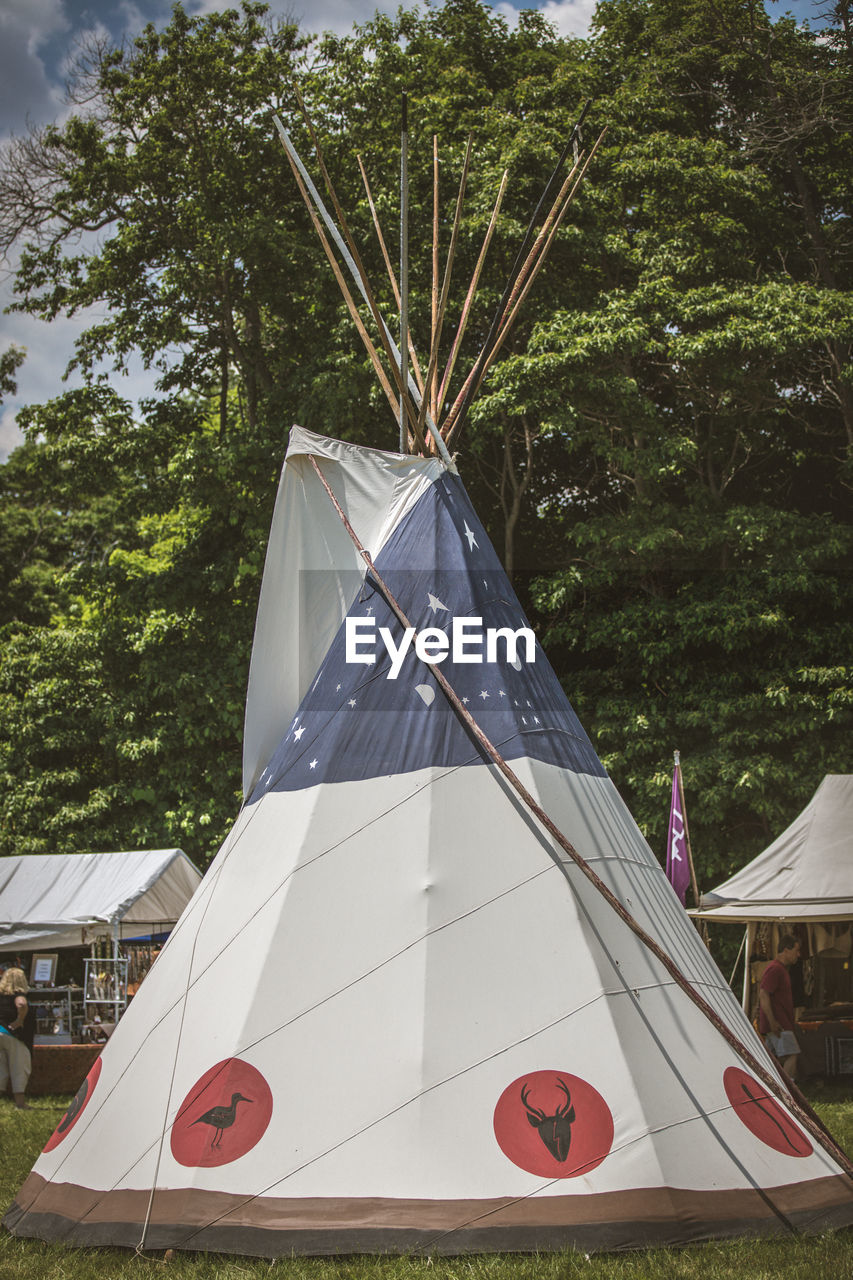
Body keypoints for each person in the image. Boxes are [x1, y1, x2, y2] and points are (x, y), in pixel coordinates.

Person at [758, 934, 802, 1079]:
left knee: (771, 1060)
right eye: (796, 950)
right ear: (786, 950)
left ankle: (773, 1090)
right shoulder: (776, 969)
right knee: (792, 1055)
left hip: (778, 1022)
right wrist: (772, 1021)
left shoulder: (780, 969)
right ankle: (790, 1093)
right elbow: (764, 994)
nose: (798, 954)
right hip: (779, 1023)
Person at [0, 966, 34, 1109]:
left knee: (1, 1068)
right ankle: (20, 1104)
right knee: (19, 1067)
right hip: (14, 1036)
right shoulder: (18, 995)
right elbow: (21, 1004)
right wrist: (19, 1020)